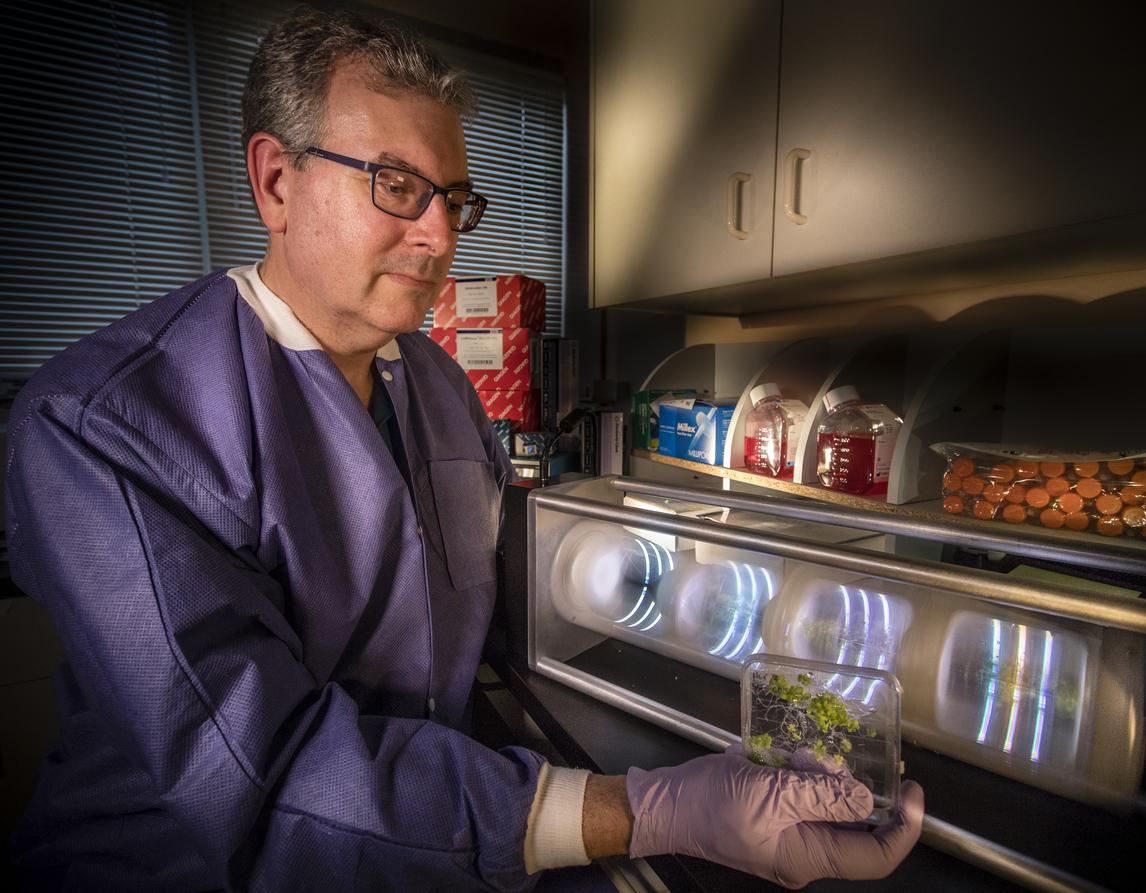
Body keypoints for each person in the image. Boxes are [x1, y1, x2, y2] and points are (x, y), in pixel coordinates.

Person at [4, 6, 923, 890]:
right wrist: (655, 809)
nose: (440, 235)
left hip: (428, 835)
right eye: (396, 185)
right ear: (276, 182)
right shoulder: (104, 422)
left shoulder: (438, 386)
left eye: (453, 198)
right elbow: (268, 774)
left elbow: (474, 609)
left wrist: (736, 620)